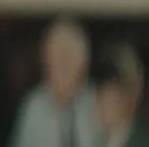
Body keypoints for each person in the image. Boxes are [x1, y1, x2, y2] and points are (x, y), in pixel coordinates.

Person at [10, 17, 103, 147]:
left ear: (83, 64)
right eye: (50, 59)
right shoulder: (33, 108)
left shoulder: (99, 103)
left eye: (64, 58)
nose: (55, 68)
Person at [95, 43, 149, 147]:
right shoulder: (97, 140)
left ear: (130, 96)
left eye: (113, 95)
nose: (102, 103)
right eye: (100, 93)